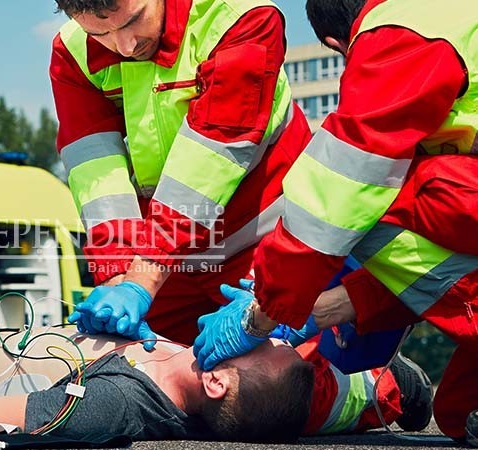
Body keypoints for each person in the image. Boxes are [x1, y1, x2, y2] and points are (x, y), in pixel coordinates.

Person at [48, 0, 410, 434]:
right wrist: (115, 276)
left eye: (132, 21)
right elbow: (96, 169)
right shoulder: (72, 50)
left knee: (270, 398)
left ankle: (381, 390)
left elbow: (214, 154)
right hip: (168, 254)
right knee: (162, 390)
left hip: (263, 239)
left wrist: (140, 278)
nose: (123, 46)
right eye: (100, 34)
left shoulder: (239, 16)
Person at [192, 0, 478, 442]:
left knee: (374, 194)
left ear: (335, 44)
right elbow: (443, 262)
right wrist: (317, 308)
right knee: (461, 410)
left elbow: (342, 190)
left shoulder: (399, 31)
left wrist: (263, 313)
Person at [0, 326, 313, 443]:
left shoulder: (117, 404)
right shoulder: (190, 367)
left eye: (261, 343)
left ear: (214, 382)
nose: (260, 330)